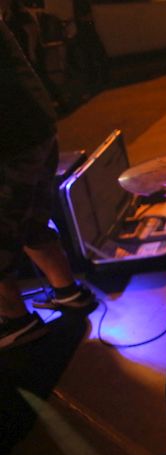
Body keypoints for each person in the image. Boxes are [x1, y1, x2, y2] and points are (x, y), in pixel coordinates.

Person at [1, 19, 96, 350]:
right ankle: (68, 292)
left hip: (8, 141)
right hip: (36, 127)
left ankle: (14, 322)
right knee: (32, 224)